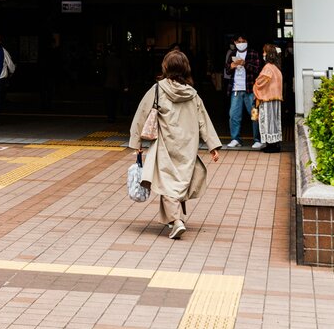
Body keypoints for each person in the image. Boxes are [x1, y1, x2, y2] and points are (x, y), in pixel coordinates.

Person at [127, 50, 222, 239]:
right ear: (186, 69)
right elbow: (204, 120)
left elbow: (141, 115)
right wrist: (212, 146)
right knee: (175, 182)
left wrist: (136, 142)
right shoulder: (193, 94)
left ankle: (176, 221)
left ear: (165, 67)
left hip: (165, 145)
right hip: (188, 146)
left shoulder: (157, 90)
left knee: (167, 183)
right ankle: (173, 220)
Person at [222, 35, 262, 148]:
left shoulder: (253, 53)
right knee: (233, 115)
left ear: (247, 41)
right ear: (235, 42)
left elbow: (258, 69)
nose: (241, 43)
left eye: (243, 41)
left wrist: (245, 64)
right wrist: (232, 66)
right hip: (235, 90)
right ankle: (236, 139)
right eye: (238, 41)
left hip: (250, 89)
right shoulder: (232, 54)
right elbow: (227, 71)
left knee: (254, 114)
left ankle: (257, 139)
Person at [252, 44, 284, 152]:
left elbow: (260, 82)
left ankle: (270, 146)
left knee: (267, 122)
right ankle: (275, 144)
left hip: (266, 100)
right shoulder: (277, 68)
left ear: (269, 54)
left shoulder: (268, 68)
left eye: (264, 52)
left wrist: (255, 86)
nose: (263, 54)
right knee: (274, 123)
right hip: (275, 100)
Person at [102, 44, 126, 122]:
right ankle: (113, 116)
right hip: (116, 84)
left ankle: (109, 116)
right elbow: (122, 73)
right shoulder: (119, 61)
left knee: (108, 101)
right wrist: (125, 85)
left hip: (107, 83)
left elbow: (103, 72)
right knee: (115, 101)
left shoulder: (106, 60)